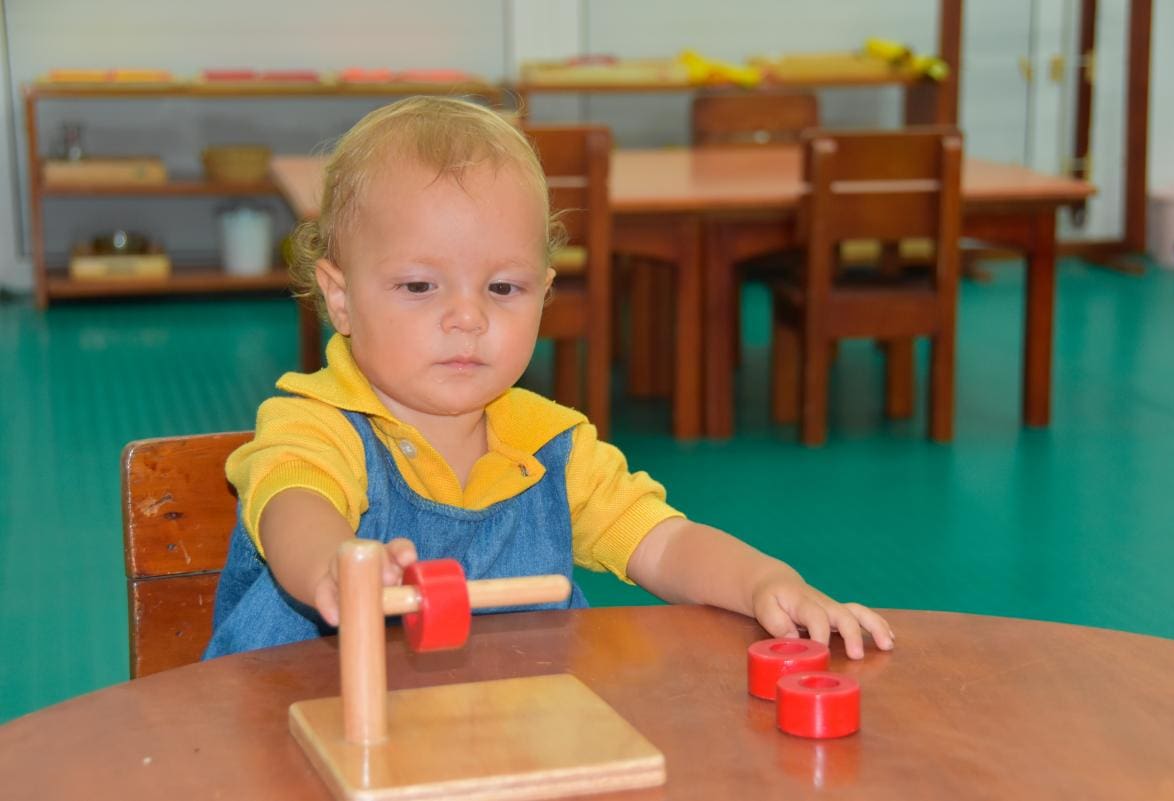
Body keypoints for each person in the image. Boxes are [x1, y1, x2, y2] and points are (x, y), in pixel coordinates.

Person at [204, 97, 894, 660]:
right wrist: (335, 563)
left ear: (545, 294)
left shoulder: (550, 446)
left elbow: (665, 541)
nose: (468, 317)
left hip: (501, 743)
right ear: (342, 296)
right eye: (420, 285)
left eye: (503, 287)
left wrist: (766, 580)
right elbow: (295, 503)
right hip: (298, 741)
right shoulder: (315, 422)